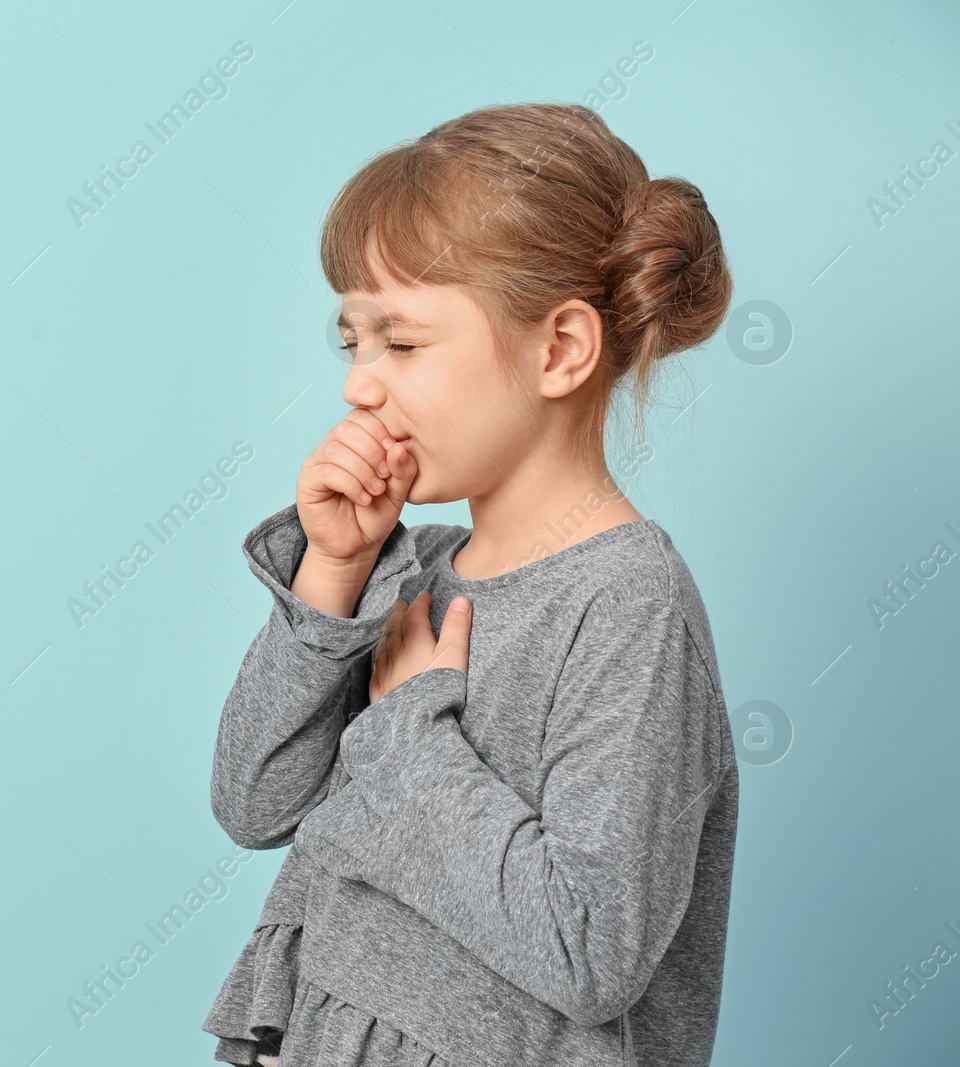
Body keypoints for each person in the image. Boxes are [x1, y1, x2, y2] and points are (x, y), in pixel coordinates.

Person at [201, 102, 738, 1067]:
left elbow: (591, 948)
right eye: (351, 342)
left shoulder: (627, 605)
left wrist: (407, 727)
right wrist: (332, 572)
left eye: (401, 343)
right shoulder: (414, 571)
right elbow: (255, 801)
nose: (360, 386)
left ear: (560, 350)